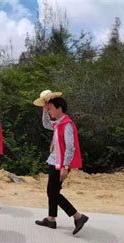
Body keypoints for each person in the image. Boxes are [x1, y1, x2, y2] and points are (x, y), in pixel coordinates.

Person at [33, 90, 89, 235]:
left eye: (50, 108)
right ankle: (51, 219)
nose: (49, 111)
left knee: (53, 192)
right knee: (52, 191)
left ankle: (78, 216)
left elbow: (71, 147)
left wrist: (65, 166)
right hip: (55, 161)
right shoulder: (58, 123)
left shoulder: (67, 124)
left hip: (61, 163)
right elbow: (46, 124)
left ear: (59, 108)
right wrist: (44, 110)